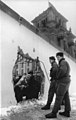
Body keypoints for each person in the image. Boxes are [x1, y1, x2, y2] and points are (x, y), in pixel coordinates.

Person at [45, 52, 71, 119]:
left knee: (59, 97)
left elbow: (62, 70)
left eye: (57, 58)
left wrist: (57, 77)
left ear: (59, 56)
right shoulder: (65, 62)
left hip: (63, 82)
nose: (57, 59)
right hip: (66, 81)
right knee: (66, 96)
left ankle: (54, 113)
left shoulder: (62, 62)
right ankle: (67, 111)